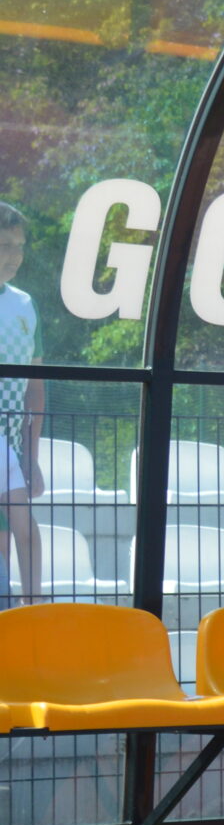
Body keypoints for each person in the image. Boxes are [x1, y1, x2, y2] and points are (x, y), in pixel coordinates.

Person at [0, 203, 42, 603]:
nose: (15, 255)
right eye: (4, 245)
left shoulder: (25, 304)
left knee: (22, 531)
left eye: (20, 246)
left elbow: (35, 386)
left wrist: (30, 456)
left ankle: (33, 613)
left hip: (8, 445)